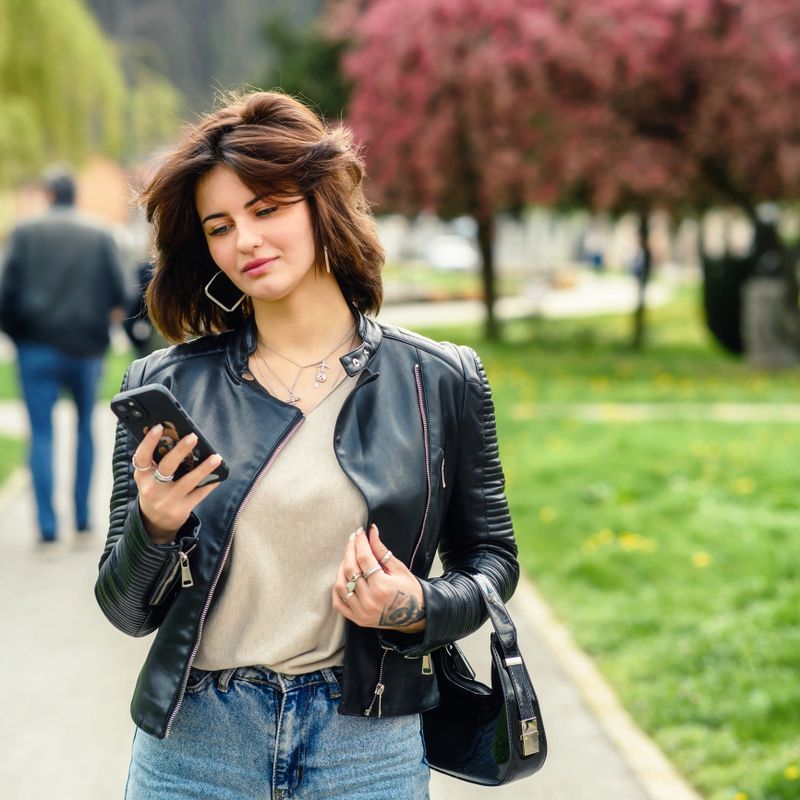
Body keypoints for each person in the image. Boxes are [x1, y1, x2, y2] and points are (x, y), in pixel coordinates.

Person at [95, 91, 519, 800]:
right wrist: (156, 525)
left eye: (267, 210)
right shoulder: (167, 384)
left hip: (366, 743)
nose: (246, 242)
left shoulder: (439, 378)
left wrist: (415, 604)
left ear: (321, 204)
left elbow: (493, 561)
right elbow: (125, 609)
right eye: (220, 226)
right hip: (196, 747)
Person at [0, 169, 126, 544]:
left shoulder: (24, 233)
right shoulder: (101, 234)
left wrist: (18, 337)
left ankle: (48, 529)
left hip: (36, 347)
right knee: (86, 428)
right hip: (87, 349)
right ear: (75, 195)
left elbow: (4, 295)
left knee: (41, 433)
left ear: (50, 195)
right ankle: (84, 521)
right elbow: (121, 292)